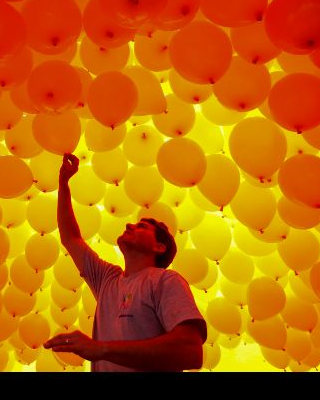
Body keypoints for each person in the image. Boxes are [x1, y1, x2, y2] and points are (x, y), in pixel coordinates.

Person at [43, 153, 208, 372]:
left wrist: (101, 349)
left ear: (159, 247)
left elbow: (190, 352)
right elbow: (71, 238)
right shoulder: (107, 279)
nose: (130, 225)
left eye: (142, 227)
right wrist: (63, 183)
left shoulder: (166, 280)